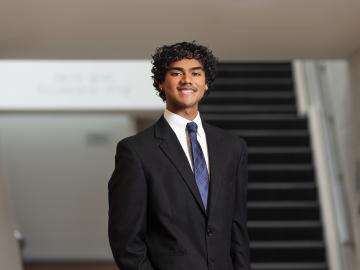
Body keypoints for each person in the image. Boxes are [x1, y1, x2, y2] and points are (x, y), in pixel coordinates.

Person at [108, 41, 251, 270]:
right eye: (176, 73)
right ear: (161, 84)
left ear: (205, 84)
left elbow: (237, 227)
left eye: (196, 73)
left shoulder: (233, 147)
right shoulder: (136, 151)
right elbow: (126, 240)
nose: (187, 80)